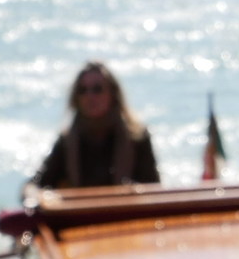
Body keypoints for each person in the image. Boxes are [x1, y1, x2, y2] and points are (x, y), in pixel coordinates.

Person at [33, 62, 159, 190]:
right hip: (81, 210)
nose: (90, 96)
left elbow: (153, 188)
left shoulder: (137, 137)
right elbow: (36, 184)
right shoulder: (66, 142)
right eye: (82, 90)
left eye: (97, 89)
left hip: (126, 209)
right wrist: (32, 195)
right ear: (76, 98)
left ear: (113, 94)